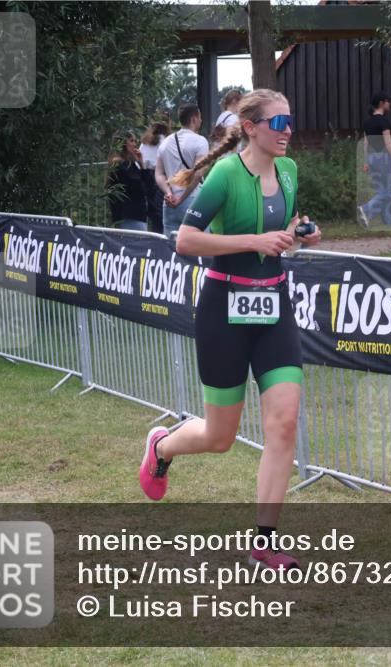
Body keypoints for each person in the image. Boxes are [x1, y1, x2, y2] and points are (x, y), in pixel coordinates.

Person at [139, 89, 322, 571]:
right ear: (252, 127)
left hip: (274, 305)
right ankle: (161, 445)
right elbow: (186, 240)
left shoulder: (289, 171)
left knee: (283, 422)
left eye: (291, 122)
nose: (288, 132)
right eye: (279, 124)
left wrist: (302, 234)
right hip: (224, 307)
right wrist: (254, 240)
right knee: (220, 436)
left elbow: (285, 233)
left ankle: (264, 541)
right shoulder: (224, 173)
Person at [155, 104, 210, 238]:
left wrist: (169, 193)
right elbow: (198, 174)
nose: (201, 121)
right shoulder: (200, 141)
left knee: (171, 249)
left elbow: (159, 174)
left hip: (169, 203)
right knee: (200, 245)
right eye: (200, 117)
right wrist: (181, 198)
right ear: (194, 119)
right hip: (193, 199)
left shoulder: (165, 142)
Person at [356, 92, 391, 228]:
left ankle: (389, 221)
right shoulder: (383, 121)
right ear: (382, 103)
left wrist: (365, 162)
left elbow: (365, 143)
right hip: (382, 157)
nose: (390, 104)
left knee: (382, 189)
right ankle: (366, 209)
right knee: (389, 190)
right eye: (388, 101)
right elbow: (388, 143)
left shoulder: (367, 122)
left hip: (371, 158)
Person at [106, 131, 148, 231]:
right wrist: (143, 168)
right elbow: (143, 188)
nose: (134, 144)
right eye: (131, 141)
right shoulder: (122, 166)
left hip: (127, 215)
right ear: (123, 143)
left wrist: (141, 164)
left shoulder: (127, 164)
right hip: (131, 215)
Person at [139, 121, 170, 235]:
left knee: (153, 212)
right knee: (162, 210)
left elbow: (141, 162)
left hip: (148, 176)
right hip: (162, 176)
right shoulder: (166, 141)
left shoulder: (144, 143)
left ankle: (155, 235)